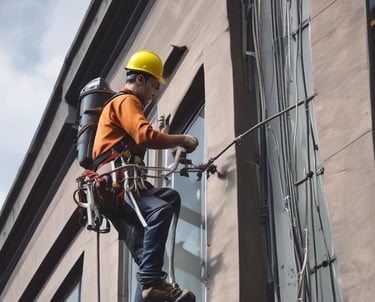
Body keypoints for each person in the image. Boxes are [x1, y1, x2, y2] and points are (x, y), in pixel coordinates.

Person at [92, 50, 198, 302]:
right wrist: (183, 139)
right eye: (153, 86)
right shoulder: (126, 101)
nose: (153, 93)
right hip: (118, 184)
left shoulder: (121, 105)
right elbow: (145, 136)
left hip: (118, 189)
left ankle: (151, 287)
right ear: (139, 79)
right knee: (160, 211)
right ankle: (152, 283)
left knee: (168, 199)